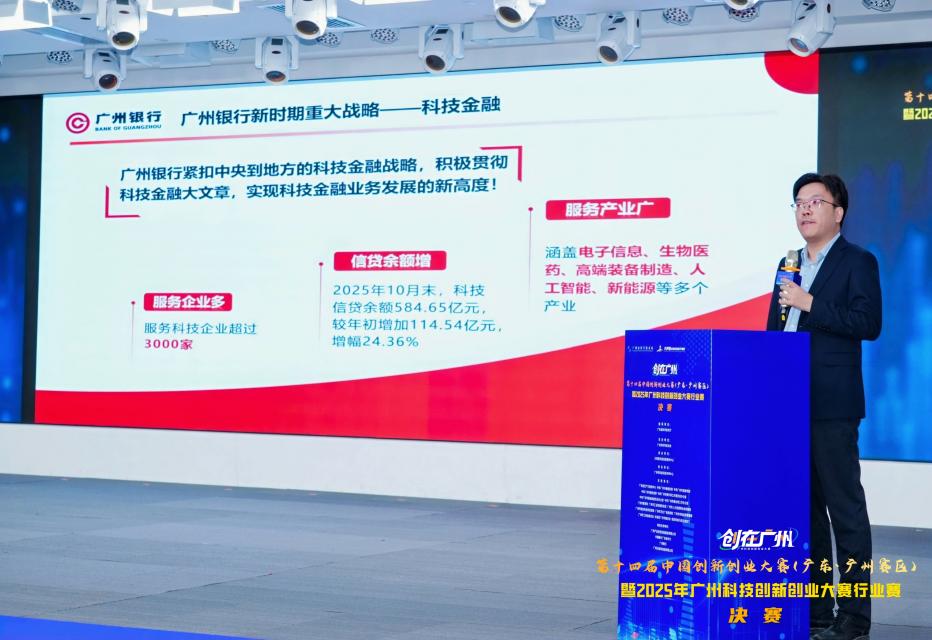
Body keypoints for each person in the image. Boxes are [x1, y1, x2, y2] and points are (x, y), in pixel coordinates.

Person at [766, 173, 882, 640]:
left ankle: (853, 617)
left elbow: (868, 323)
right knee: (805, 511)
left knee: (844, 510)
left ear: (839, 212)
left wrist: (809, 302)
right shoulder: (788, 263)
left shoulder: (858, 261)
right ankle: (816, 610)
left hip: (833, 404)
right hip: (790, 403)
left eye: (816, 201)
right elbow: (777, 331)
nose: (805, 209)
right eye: (799, 202)